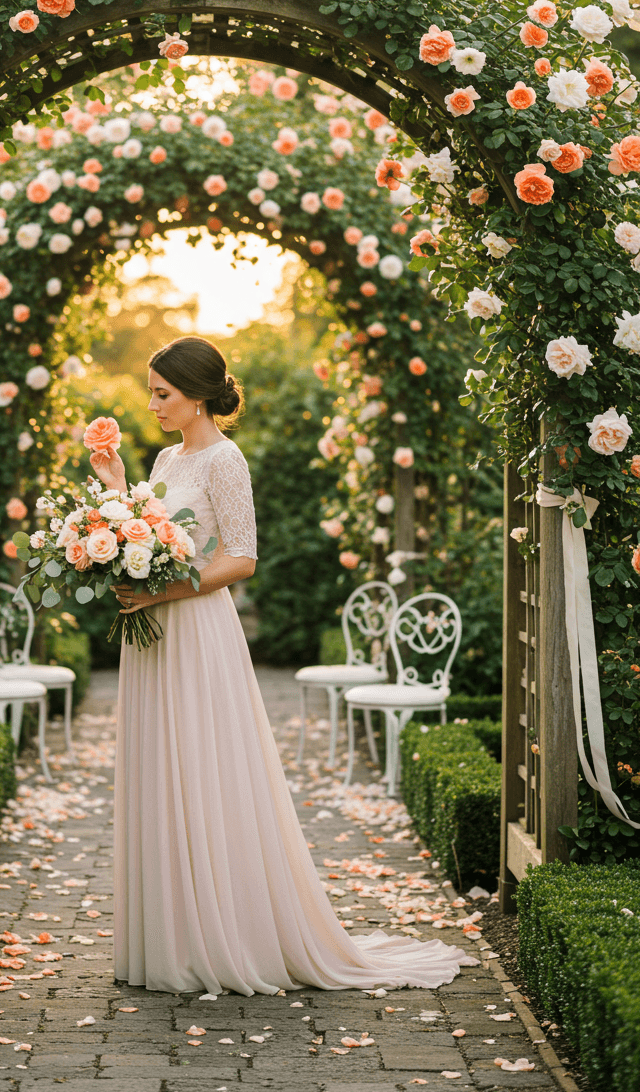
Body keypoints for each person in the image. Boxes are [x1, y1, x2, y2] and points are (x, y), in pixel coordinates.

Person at [89, 335, 475, 996]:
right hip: (150, 633)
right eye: (151, 392)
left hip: (197, 629)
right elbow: (148, 533)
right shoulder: (161, 456)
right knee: (161, 767)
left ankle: (223, 933)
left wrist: (161, 591)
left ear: (200, 394)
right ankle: (169, 934)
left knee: (205, 769)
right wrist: (118, 493)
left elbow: (240, 557)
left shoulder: (224, 460)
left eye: (164, 394)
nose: (152, 404)